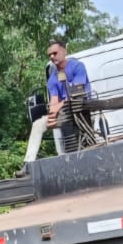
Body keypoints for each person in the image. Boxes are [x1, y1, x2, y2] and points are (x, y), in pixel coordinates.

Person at [19, 40, 92, 176]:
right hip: (64, 111)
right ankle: (29, 164)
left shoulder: (78, 67)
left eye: (55, 53)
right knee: (39, 124)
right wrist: (52, 113)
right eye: (49, 55)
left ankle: (87, 156)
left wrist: (58, 106)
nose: (52, 56)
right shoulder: (52, 78)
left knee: (69, 119)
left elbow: (77, 92)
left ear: (64, 52)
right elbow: (54, 100)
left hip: (82, 107)